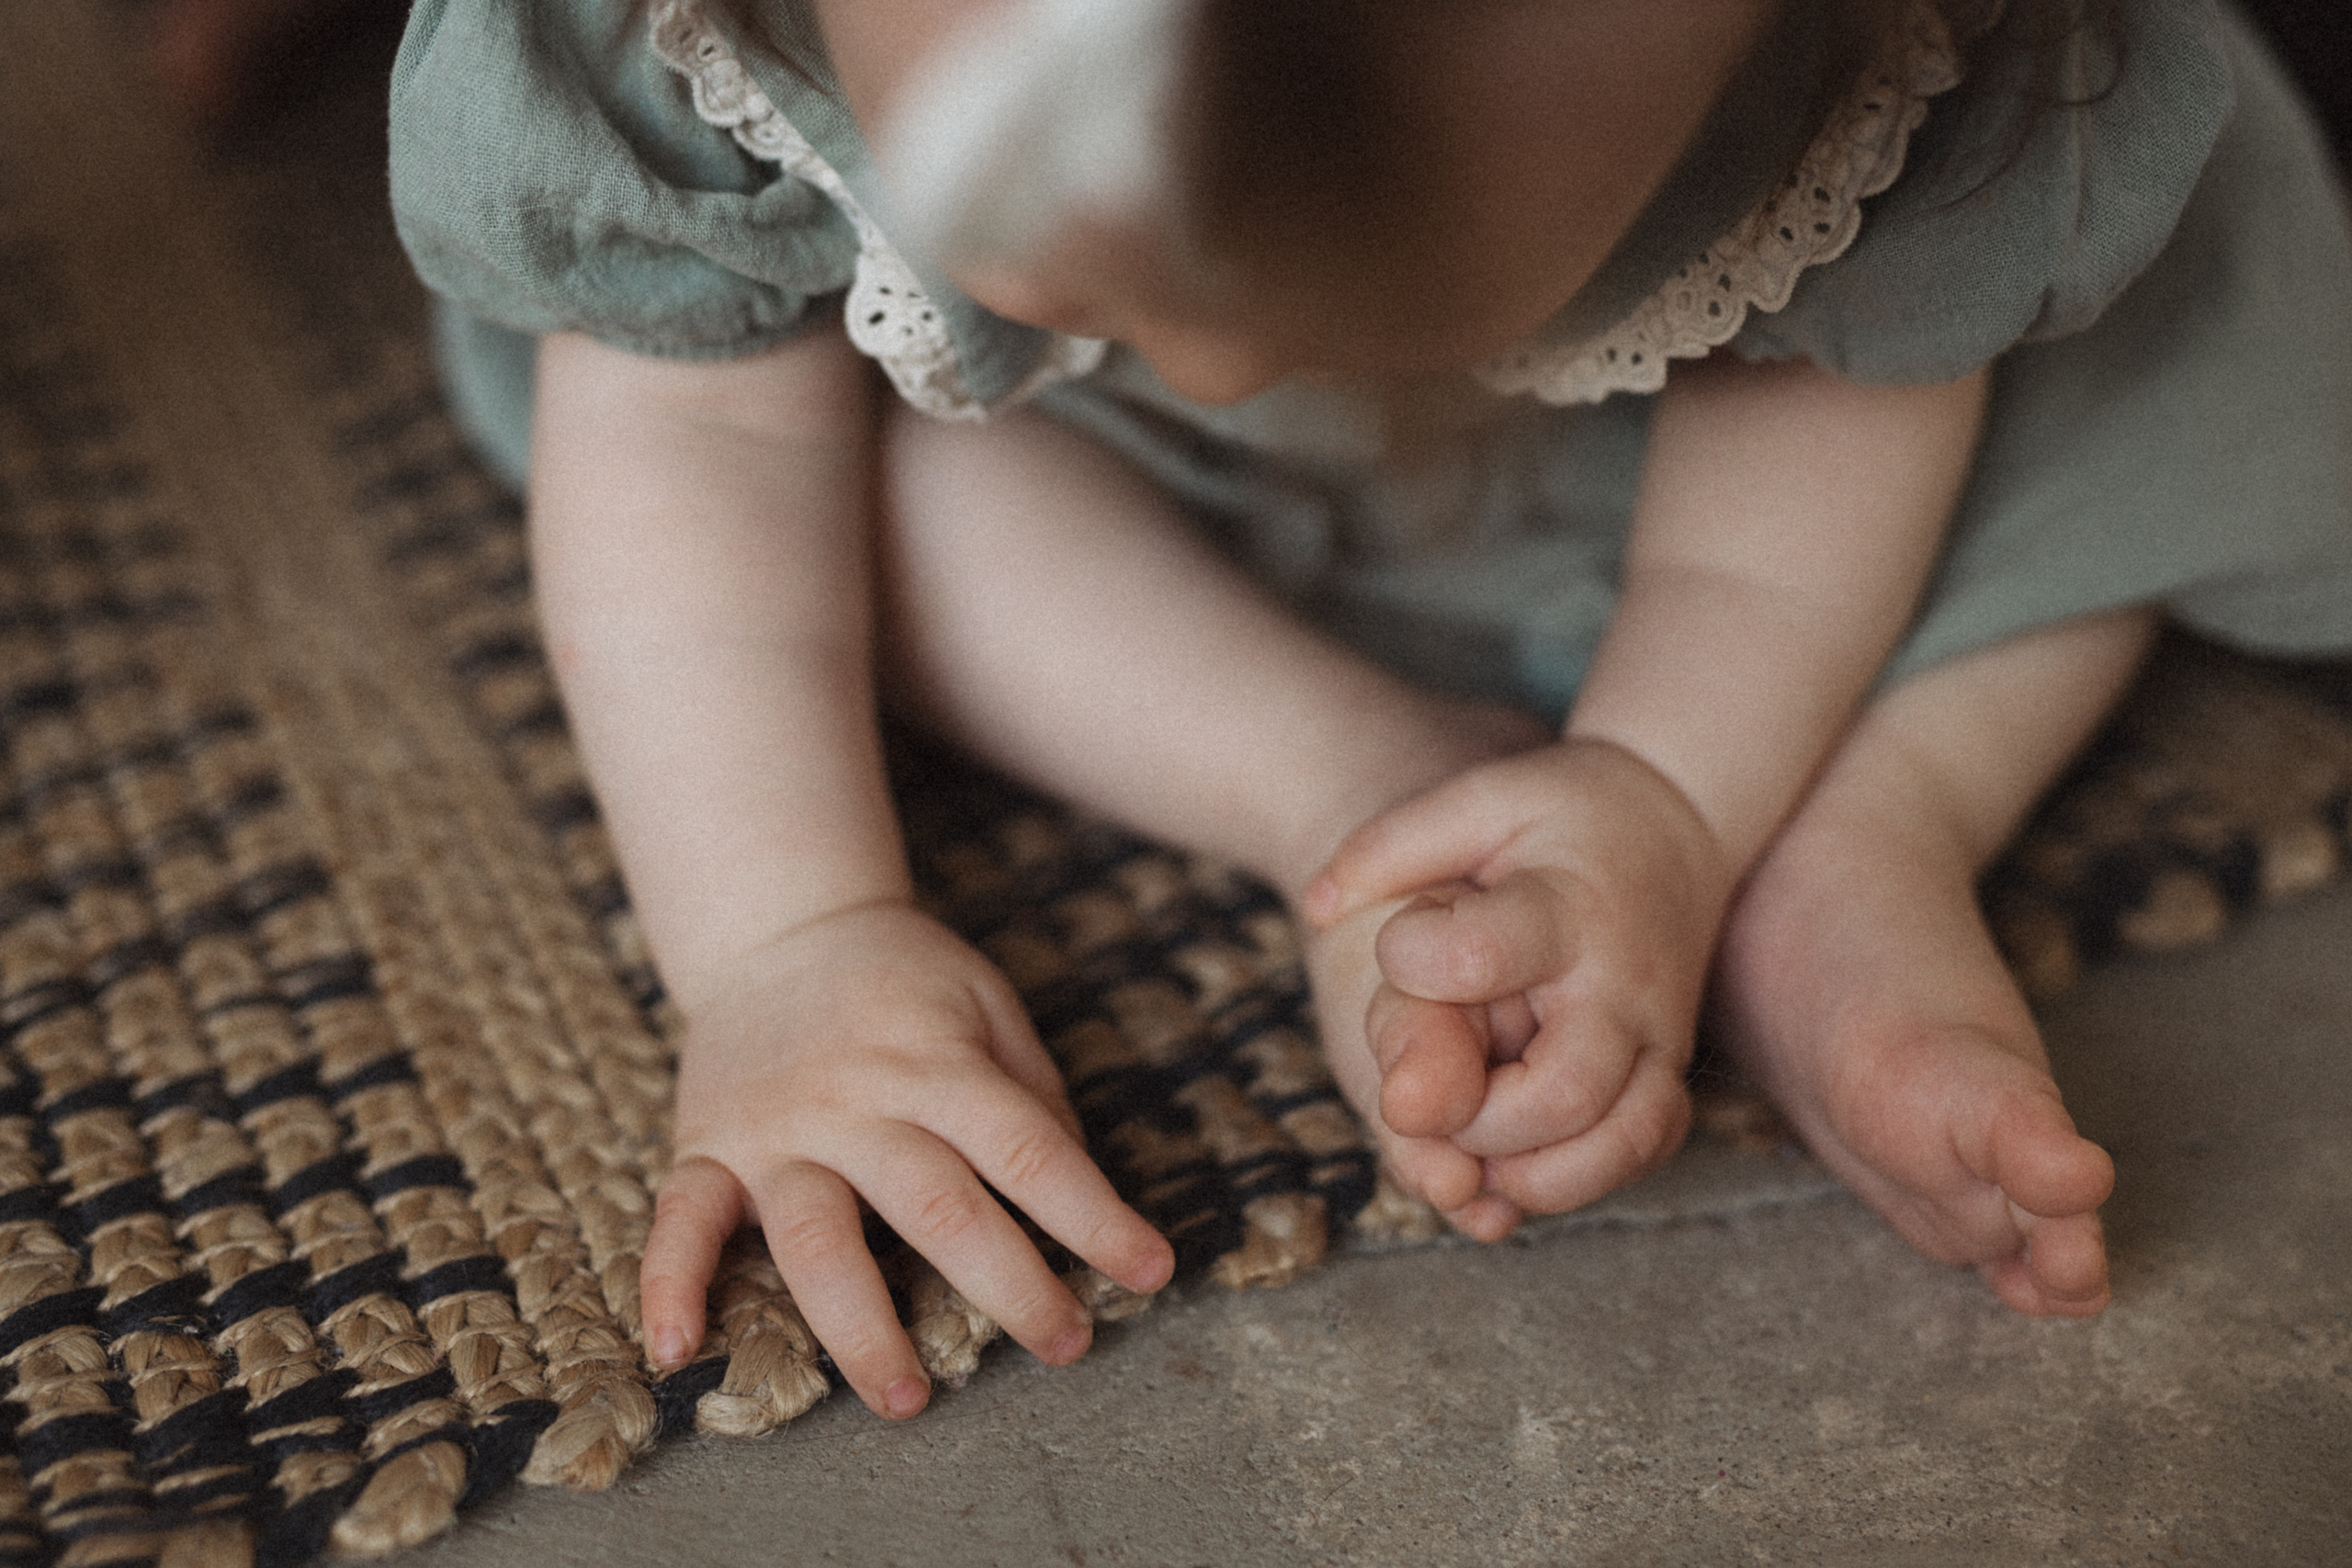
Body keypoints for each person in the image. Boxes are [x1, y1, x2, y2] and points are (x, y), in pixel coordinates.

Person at [389, 0, 2352, 1421]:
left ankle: (1851, 810)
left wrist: (1670, 777)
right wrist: (781, 932)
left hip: (1760, 418)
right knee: (807, 483)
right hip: (1056, 438)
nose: (1229, 372)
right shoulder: (685, 31)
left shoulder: (1906, 52)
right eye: (1145, 284)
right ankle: (1358, 782)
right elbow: (707, 440)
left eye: (1293, 314)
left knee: (2098, 379)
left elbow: (1844, 384)